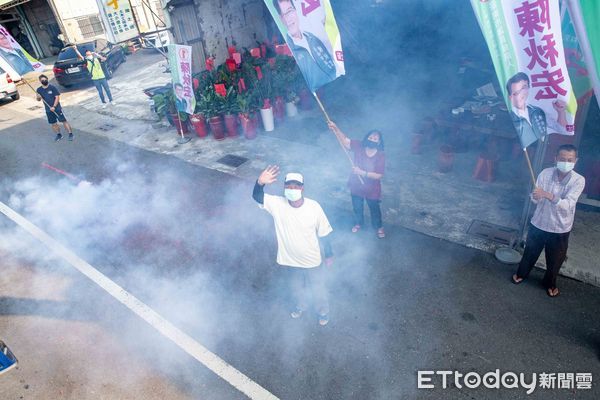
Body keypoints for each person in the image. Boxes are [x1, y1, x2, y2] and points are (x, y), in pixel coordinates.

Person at [253, 165, 334, 326]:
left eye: (296, 186)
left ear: (302, 188)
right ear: (284, 187)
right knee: (296, 287)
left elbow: (324, 233)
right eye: (289, 185)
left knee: (318, 287)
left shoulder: (314, 207)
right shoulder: (277, 204)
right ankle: (300, 306)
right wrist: (260, 182)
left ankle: (322, 311)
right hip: (289, 259)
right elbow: (257, 196)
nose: (292, 188)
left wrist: (329, 255)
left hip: (312, 260)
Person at [512, 144, 585, 297]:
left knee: (555, 260)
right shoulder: (545, 173)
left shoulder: (578, 180)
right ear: (555, 159)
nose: (566, 162)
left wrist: (547, 195)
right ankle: (521, 274)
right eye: (562, 159)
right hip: (539, 222)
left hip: (560, 228)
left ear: (575, 161)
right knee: (530, 253)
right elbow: (535, 198)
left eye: (569, 160)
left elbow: (568, 205)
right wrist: (536, 196)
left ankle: (550, 283)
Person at [328, 121, 386, 238]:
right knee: (357, 207)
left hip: (372, 188)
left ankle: (378, 227)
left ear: (378, 142)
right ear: (367, 138)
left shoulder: (380, 155)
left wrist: (362, 173)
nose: (372, 138)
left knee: (374, 209)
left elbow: (379, 175)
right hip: (356, 185)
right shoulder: (359, 146)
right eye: (371, 136)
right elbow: (345, 141)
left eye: (375, 138)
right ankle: (359, 223)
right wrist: (336, 128)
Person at [272, 0, 337, 92]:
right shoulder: (288, 51)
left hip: (337, 83)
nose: (288, 18)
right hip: (320, 94)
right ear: (280, 19)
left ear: (295, 11)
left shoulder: (311, 37)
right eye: (284, 15)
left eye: (289, 11)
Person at [506, 72, 568, 148]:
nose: (521, 94)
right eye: (516, 93)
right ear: (510, 97)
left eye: (523, 88)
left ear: (528, 88)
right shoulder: (509, 116)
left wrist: (561, 112)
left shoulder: (537, 111)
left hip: (537, 149)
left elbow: (562, 129)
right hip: (518, 152)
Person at [36, 74, 74, 142]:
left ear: (47, 79)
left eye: (45, 80)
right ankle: (59, 134)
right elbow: (38, 99)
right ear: (40, 81)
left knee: (63, 121)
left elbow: (57, 97)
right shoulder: (39, 90)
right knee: (53, 123)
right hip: (48, 110)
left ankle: (70, 134)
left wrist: (54, 106)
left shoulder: (52, 87)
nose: (44, 81)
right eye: (42, 80)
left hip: (57, 108)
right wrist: (38, 97)